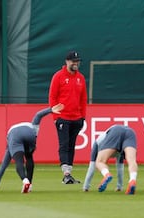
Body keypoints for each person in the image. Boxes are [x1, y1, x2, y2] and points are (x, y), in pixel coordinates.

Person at [0, 103, 64, 193]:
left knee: (19, 162)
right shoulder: (33, 125)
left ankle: (25, 181)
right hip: (30, 134)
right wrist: (50, 110)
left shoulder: (10, 141)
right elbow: (38, 115)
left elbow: (4, 165)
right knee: (29, 156)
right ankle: (30, 185)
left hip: (14, 136)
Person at [48, 50, 87, 184]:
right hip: (62, 117)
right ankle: (66, 173)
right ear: (67, 62)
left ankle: (69, 173)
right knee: (64, 145)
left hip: (76, 117)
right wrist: (55, 117)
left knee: (71, 145)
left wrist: (83, 117)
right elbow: (52, 97)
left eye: (77, 61)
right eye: (73, 61)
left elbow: (83, 99)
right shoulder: (58, 76)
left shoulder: (80, 78)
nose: (76, 63)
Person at [95, 125, 138, 194]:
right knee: (132, 160)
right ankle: (132, 180)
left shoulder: (100, 139)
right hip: (131, 132)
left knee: (99, 161)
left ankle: (107, 174)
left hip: (115, 131)